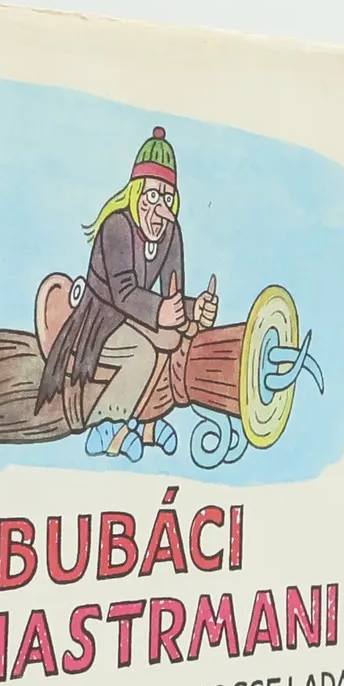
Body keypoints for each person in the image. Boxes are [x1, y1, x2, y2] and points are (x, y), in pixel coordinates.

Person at [35, 126, 219, 461]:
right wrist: (162, 312)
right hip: (101, 318)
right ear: (136, 194)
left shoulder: (170, 232)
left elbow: (172, 295)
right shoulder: (116, 226)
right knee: (144, 352)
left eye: (167, 198)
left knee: (176, 338)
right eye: (153, 196)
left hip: (140, 316)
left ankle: (148, 424)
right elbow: (123, 294)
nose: (160, 209)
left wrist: (195, 309)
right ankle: (107, 424)